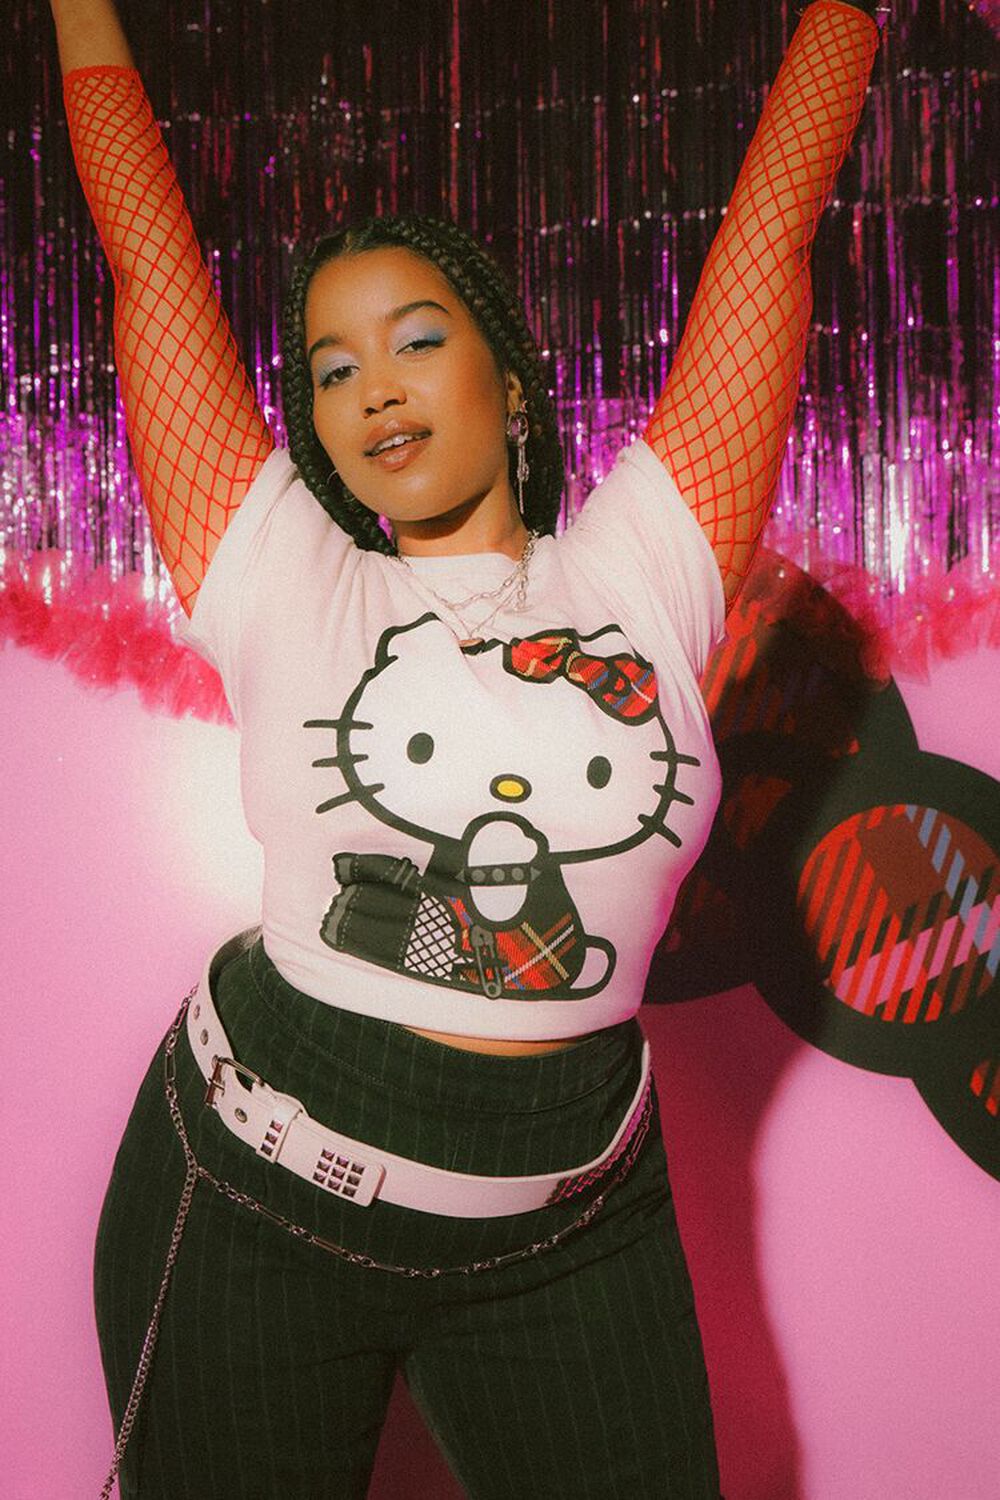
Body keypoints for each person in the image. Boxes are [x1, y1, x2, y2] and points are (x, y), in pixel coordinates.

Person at [50, 1, 881, 1495]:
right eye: (331, 367)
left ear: (509, 380)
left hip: (569, 1223)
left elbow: (771, 239)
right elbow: (148, 265)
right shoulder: (284, 573)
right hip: (260, 1188)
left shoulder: (640, 569)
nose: (373, 385)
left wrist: (844, 21)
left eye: (418, 341)